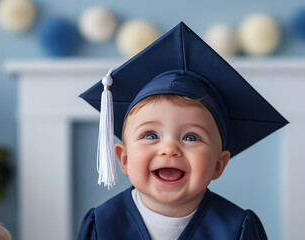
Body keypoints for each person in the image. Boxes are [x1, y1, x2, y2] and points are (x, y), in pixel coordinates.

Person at [77, 22, 288, 240]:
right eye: (150, 135)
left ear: (219, 164)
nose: (169, 149)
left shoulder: (237, 229)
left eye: (191, 137)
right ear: (124, 159)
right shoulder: (102, 225)